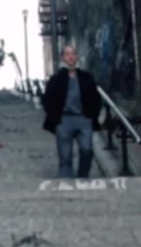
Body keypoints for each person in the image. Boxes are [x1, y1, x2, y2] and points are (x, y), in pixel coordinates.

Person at [41, 43, 104, 178]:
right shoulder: (56, 79)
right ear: (63, 58)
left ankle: (82, 176)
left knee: (87, 150)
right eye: (67, 54)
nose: (70, 57)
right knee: (65, 156)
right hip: (64, 120)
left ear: (77, 57)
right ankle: (66, 182)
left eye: (73, 54)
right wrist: (56, 119)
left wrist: (92, 116)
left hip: (84, 119)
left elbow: (96, 98)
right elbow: (47, 100)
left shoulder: (86, 77)